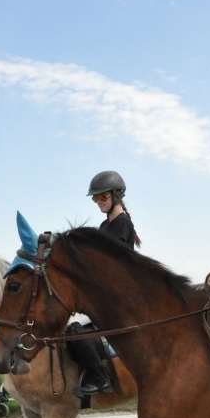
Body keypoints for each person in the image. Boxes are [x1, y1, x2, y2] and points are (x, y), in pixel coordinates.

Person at [68, 170, 141, 397]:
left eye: (102, 197)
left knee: (72, 328)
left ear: (117, 195)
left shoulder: (122, 224)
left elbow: (109, 265)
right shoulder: (104, 226)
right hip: (101, 293)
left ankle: (99, 378)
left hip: (116, 296)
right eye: (95, 198)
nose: (98, 202)